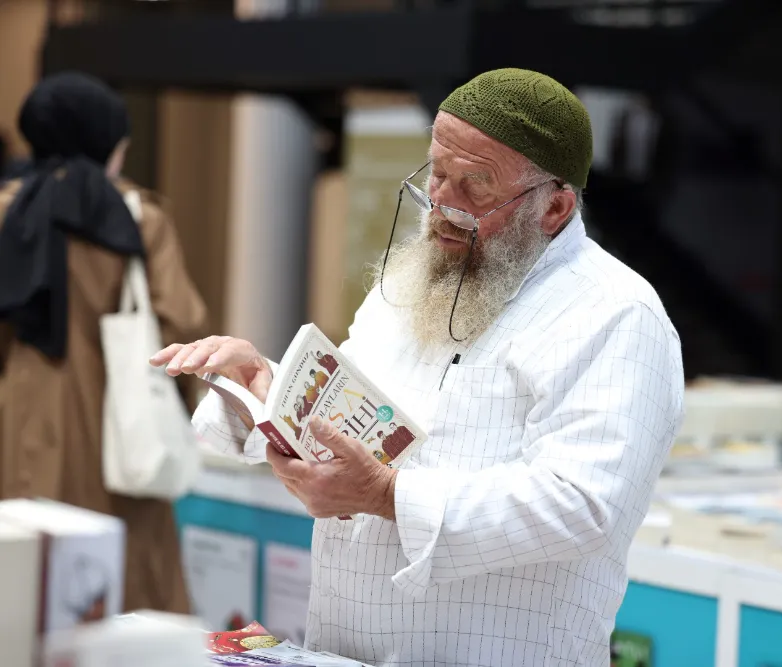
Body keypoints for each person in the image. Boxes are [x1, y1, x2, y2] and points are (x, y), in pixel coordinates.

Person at [152, 68, 683, 665]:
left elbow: (582, 504)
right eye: (437, 173)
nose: (443, 205)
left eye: (475, 187)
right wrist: (267, 393)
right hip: (347, 649)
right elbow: (349, 418)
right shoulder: (409, 282)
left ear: (554, 206)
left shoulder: (616, 313)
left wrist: (388, 496)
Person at [0, 72, 208, 613]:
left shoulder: (7, 212)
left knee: (20, 589)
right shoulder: (138, 219)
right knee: (117, 594)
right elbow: (180, 322)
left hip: (14, 423)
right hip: (116, 432)